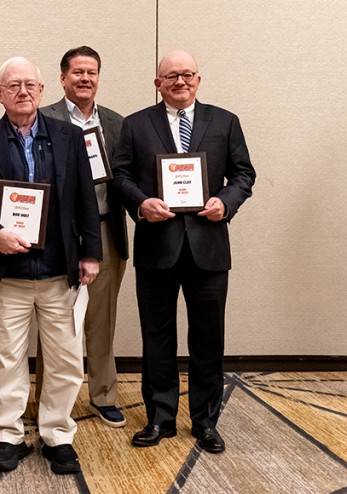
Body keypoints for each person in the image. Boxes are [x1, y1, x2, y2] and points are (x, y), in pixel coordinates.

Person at [0, 57, 101, 475]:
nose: (22, 91)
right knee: (6, 359)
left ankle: (57, 434)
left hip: (60, 273)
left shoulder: (70, 136)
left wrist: (90, 252)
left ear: (42, 90)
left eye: (30, 84)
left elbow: (86, 198)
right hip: (7, 275)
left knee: (66, 359)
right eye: (12, 85)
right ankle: (8, 435)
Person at [112, 50, 255, 454]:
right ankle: (160, 418)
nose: (180, 81)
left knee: (208, 339)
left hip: (208, 248)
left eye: (187, 74)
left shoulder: (225, 121)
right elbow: (120, 175)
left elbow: (244, 173)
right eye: (171, 76)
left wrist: (225, 202)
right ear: (158, 83)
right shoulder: (137, 124)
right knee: (157, 338)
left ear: (198, 79)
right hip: (158, 247)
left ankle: (206, 421)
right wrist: (141, 203)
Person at [38, 45, 129, 427]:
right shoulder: (43, 119)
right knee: (52, 317)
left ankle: (103, 393)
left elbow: (126, 177)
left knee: (101, 317)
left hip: (106, 229)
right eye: (77, 72)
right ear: (63, 78)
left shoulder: (116, 123)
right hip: (58, 233)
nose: (85, 79)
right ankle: (48, 397)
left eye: (91, 72)